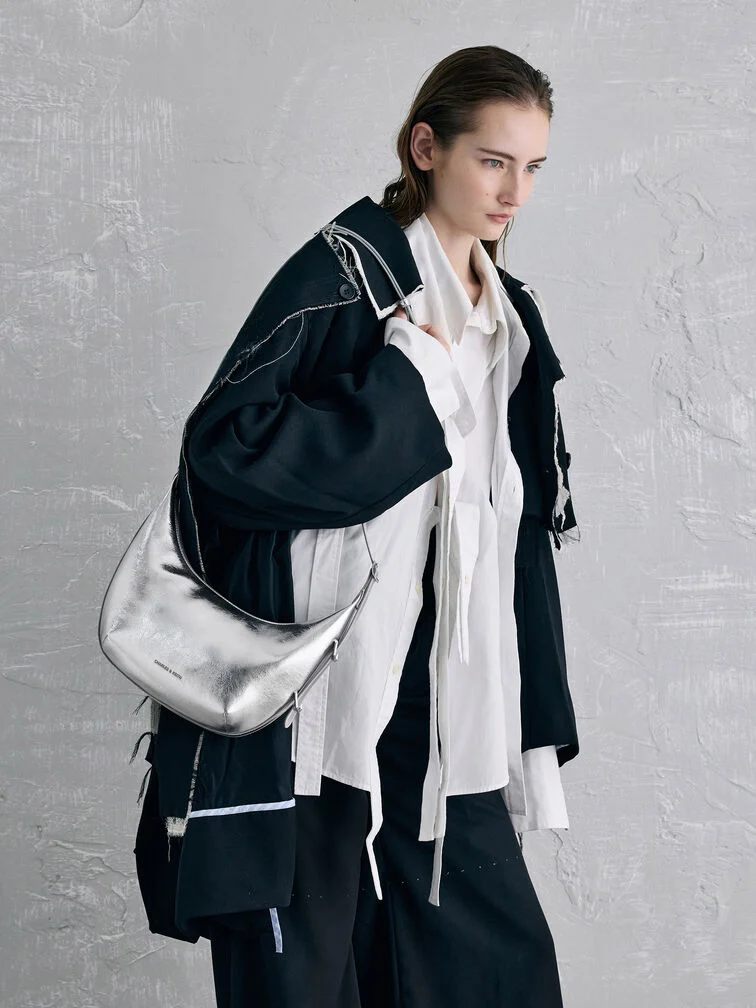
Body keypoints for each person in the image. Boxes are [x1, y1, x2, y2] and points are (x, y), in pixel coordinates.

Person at [132, 44, 581, 1007]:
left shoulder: (511, 321)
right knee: (301, 983)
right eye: (492, 161)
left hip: (441, 706)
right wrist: (405, 387)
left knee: (495, 974)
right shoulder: (346, 276)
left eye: (532, 167)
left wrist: (532, 711)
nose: (514, 193)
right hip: (317, 706)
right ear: (426, 148)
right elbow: (224, 452)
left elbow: (511, 536)